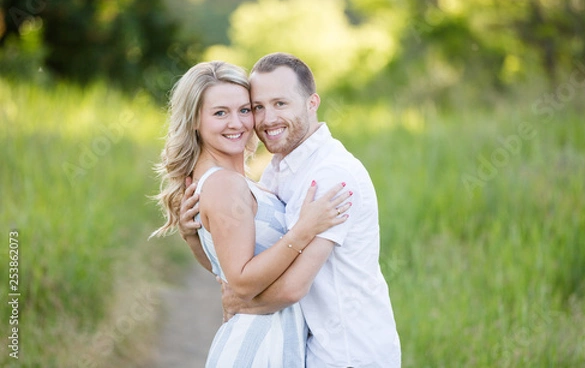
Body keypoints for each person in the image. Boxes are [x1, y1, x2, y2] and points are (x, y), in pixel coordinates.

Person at [180, 53, 401, 367]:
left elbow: (291, 288)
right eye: (258, 107)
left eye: (280, 104)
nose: (267, 119)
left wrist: (242, 302)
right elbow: (241, 259)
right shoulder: (277, 169)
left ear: (312, 103)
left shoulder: (332, 176)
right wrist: (195, 237)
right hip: (304, 349)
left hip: (347, 352)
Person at [151, 61, 352, 367]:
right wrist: (303, 230)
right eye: (220, 113)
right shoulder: (224, 184)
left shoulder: (232, 181)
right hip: (256, 349)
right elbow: (242, 280)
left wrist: (192, 238)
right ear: (194, 120)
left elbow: (228, 265)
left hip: (272, 342)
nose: (238, 124)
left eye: (245, 110)